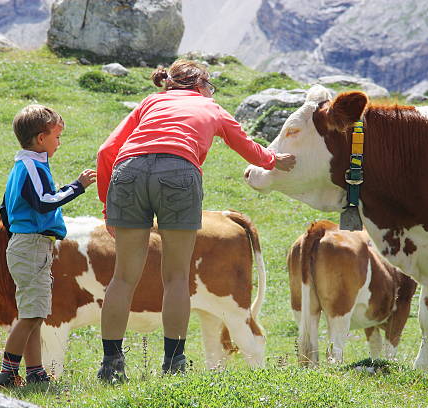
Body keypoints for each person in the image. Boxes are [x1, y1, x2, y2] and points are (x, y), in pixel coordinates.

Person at [95, 60, 295, 382]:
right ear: (201, 86)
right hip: (178, 172)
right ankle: (173, 365)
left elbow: (107, 151)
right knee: (176, 277)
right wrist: (275, 160)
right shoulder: (210, 106)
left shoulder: (150, 101)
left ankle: (111, 366)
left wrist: (108, 207)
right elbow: (245, 146)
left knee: (123, 278)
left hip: (128, 172)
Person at [0, 104, 96, 387]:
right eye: (57, 137)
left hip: (26, 244)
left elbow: (5, 208)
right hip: (31, 246)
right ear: (41, 138)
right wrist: (77, 187)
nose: (59, 143)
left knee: (34, 312)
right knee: (30, 315)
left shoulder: (23, 165)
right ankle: (8, 373)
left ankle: (35, 371)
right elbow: (44, 201)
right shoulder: (32, 166)